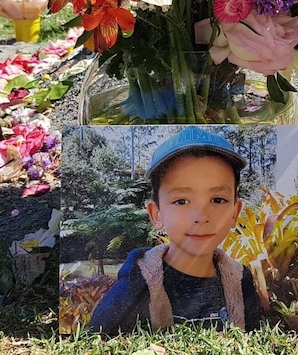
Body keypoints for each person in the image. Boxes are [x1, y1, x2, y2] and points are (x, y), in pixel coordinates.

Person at [89, 127, 263, 335]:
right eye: (182, 201)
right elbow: (99, 331)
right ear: (157, 215)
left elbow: (254, 335)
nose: (201, 216)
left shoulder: (240, 279)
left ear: (235, 213)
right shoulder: (140, 277)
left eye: (217, 200)